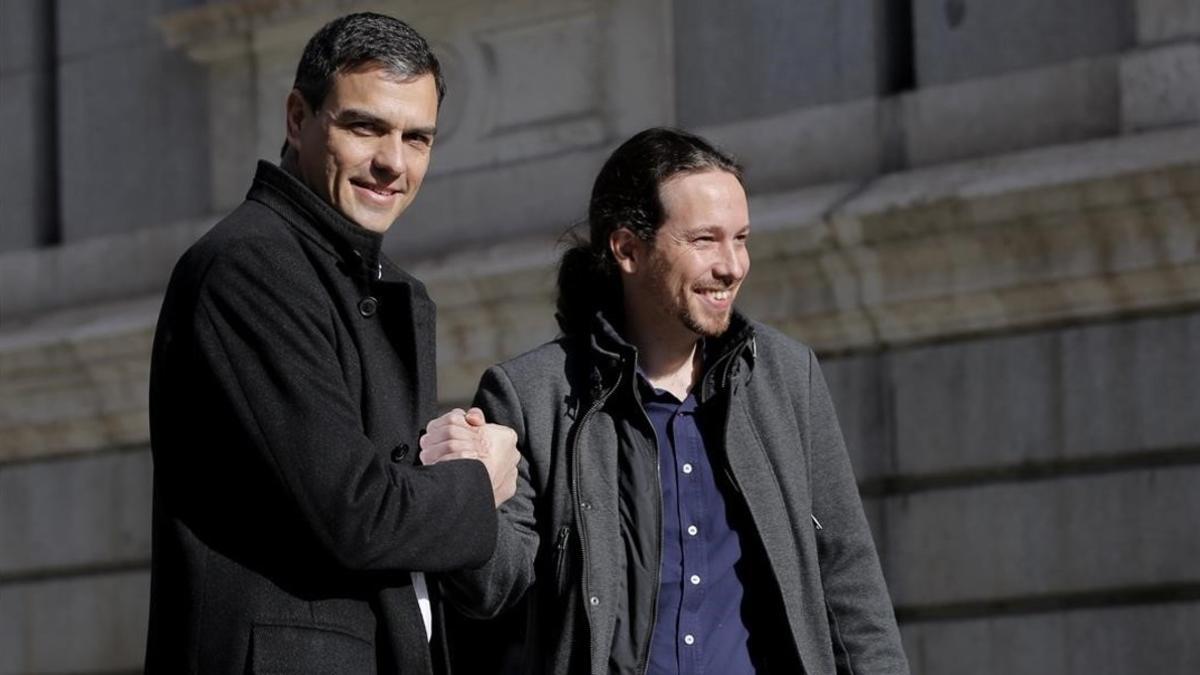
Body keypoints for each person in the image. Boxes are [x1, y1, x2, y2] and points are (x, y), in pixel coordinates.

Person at [434, 128, 910, 674]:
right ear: (628, 249)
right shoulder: (533, 397)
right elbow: (488, 595)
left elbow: (850, 583)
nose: (733, 265)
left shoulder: (784, 377)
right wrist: (469, 494)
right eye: (705, 240)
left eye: (742, 238)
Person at [145, 12, 519, 673]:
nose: (392, 162)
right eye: (365, 126)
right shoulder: (250, 266)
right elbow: (357, 512)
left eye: (418, 138)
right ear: (297, 118)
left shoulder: (371, 283)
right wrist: (477, 479)